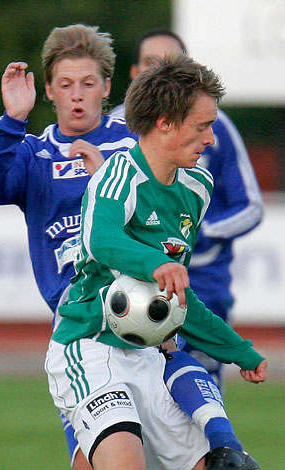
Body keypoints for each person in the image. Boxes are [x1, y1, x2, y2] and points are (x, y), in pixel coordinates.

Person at [0, 53, 267, 470]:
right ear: (163, 123)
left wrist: (240, 351)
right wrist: (155, 262)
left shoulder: (196, 188)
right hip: (86, 346)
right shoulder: (118, 172)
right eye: (202, 126)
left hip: (143, 356)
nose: (210, 138)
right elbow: (103, 240)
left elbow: (175, 299)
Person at [112, 28, 264, 389]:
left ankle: (214, 444)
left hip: (203, 281)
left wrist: (202, 236)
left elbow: (251, 205)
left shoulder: (216, 127)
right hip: (132, 281)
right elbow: (100, 220)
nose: (161, 72)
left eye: (173, 64)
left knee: (199, 385)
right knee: (138, 390)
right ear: (135, 74)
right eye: (152, 64)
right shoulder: (115, 127)